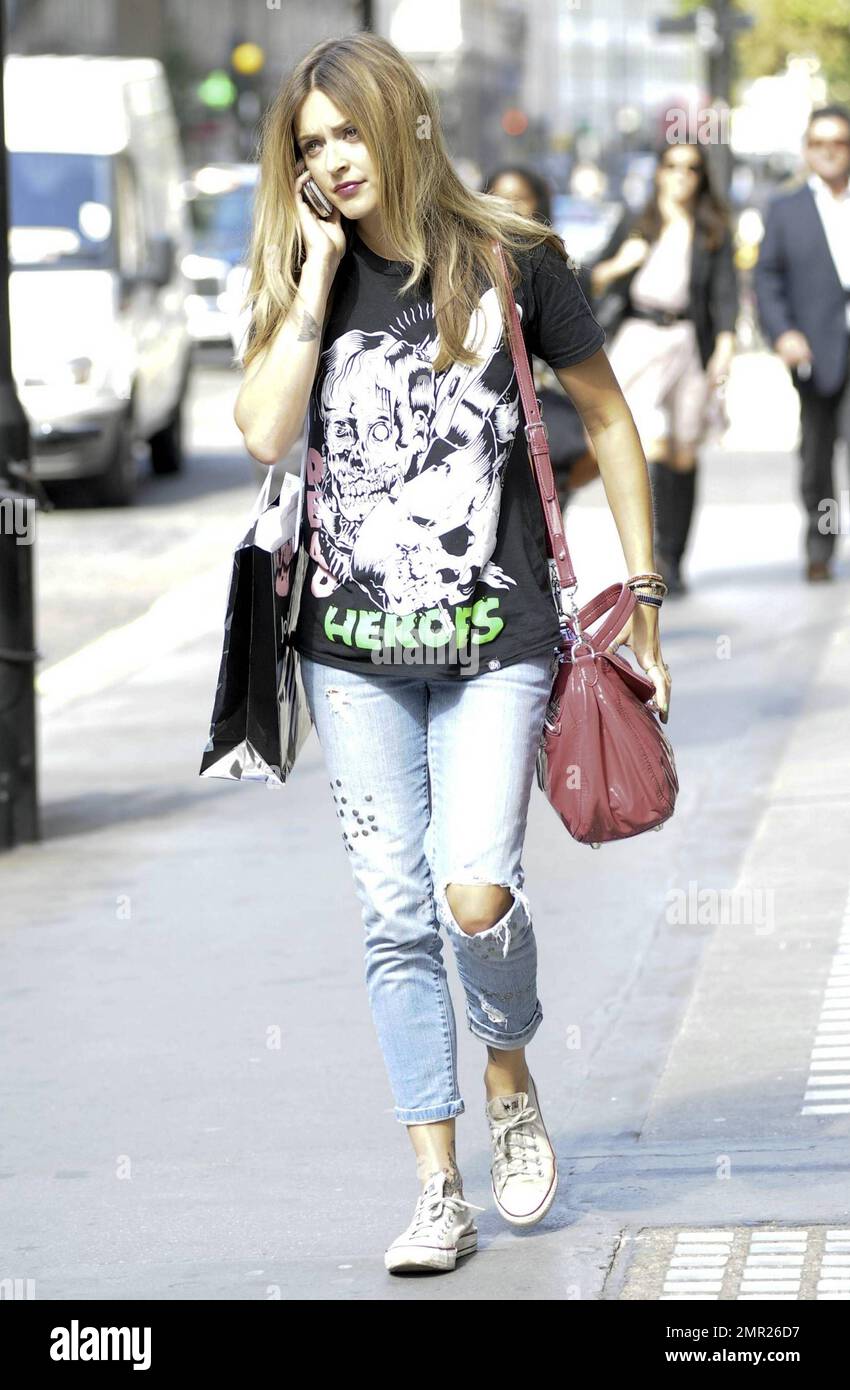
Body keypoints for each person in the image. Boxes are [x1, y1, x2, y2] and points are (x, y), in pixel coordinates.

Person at [233, 32, 672, 1276]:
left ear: (403, 123)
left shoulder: (514, 260)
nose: (332, 158)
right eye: (310, 144)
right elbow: (267, 432)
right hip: (352, 651)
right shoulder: (296, 268)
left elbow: (605, 412)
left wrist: (643, 591)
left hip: (495, 640)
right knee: (390, 918)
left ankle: (512, 1074)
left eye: (348, 131)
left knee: (472, 892)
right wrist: (316, 276)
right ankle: (437, 1186)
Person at [590, 139, 739, 594]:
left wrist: (726, 344)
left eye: (691, 168)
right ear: (658, 171)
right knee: (646, 443)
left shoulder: (711, 229)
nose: (680, 175)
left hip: (688, 340)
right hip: (640, 338)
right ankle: (647, 559)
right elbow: (591, 276)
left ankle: (675, 557)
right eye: (672, 166)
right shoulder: (637, 222)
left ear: (701, 177)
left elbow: (724, 292)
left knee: (683, 453)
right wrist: (623, 262)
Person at [754, 104, 850, 583]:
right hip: (816, 352)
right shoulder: (787, 208)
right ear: (807, 150)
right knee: (818, 456)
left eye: (839, 142)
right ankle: (821, 545)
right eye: (819, 143)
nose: (829, 152)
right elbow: (767, 278)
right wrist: (785, 333)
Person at [483, 163, 600, 511]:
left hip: (548, 397)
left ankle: (556, 499)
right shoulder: (463, 265)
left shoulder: (552, 264)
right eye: (497, 198)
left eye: (519, 198)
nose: (508, 207)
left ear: (540, 204)